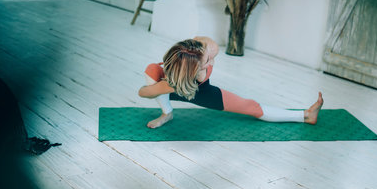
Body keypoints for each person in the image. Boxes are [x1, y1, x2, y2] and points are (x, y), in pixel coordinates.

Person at [138, 36, 323, 129]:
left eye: (211, 58)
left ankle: (305, 115)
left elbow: (202, 44)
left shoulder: (197, 52)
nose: (212, 64)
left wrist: (206, 57)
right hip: (176, 85)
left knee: (251, 106)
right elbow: (142, 92)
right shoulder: (170, 79)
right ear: (191, 69)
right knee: (152, 69)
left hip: (201, 93)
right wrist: (159, 88)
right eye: (207, 63)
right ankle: (167, 113)